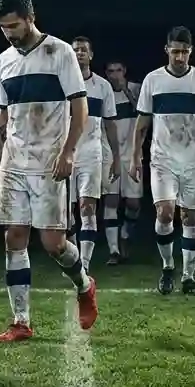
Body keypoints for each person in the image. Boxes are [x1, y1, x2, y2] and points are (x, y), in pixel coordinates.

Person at [0, 0, 98, 343]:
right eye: (3, 27)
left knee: (54, 243)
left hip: (49, 160)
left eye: (14, 25)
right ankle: (20, 321)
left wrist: (68, 153)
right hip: (14, 160)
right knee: (14, 237)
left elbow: (79, 107)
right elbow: (3, 117)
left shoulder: (60, 52)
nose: (9, 33)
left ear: (30, 18)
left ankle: (84, 284)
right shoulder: (3, 60)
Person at [129, 26, 195, 296]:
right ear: (167, 51)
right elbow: (142, 121)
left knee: (190, 216)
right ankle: (168, 266)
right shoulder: (153, 80)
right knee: (165, 212)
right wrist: (135, 154)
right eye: (176, 52)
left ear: (191, 51)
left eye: (184, 52)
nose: (180, 57)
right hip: (162, 158)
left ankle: (188, 276)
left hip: (192, 157)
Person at [69, 36, 120, 274]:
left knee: (87, 208)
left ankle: (84, 265)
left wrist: (117, 158)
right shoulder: (61, 84)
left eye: (83, 50)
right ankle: (71, 260)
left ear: (91, 55)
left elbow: (110, 124)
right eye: (75, 50)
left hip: (91, 153)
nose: (79, 53)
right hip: (65, 153)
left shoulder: (103, 87)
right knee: (66, 213)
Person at [102, 61, 142, 264]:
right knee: (111, 200)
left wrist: (125, 89)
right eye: (110, 71)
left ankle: (125, 235)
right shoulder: (103, 92)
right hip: (109, 153)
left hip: (132, 153)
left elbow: (143, 112)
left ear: (124, 71)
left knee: (133, 204)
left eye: (118, 70)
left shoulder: (136, 89)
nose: (114, 75)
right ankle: (114, 251)